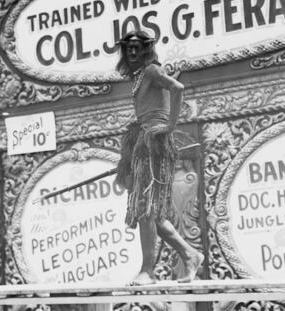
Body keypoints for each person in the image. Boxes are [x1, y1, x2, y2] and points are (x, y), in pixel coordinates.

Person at [115, 30, 204, 285]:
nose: (132, 52)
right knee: (152, 212)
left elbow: (178, 87)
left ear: (145, 48)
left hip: (155, 143)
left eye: (136, 47)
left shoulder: (152, 70)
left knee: (146, 209)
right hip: (145, 143)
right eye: (128, 48)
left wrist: (169, 127)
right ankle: (190, 255)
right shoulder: (139, 75)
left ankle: (148, 271)